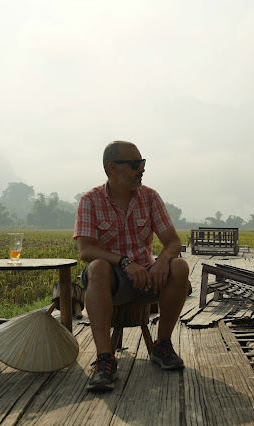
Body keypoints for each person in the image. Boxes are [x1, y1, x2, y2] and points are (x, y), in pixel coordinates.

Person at [73, 140, 189, 392]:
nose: (142, 169)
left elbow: (173, 242)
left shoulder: (149, 197)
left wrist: (162, 261)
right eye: (136, 164)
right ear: (113, 168)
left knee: (179, 267)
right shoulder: (90, 201)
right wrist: (125, 263)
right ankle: (105, 359)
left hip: (147, 277)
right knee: (97, 268)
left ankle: (162, 344)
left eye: (143, 163)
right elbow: (86, 250)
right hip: (112, 281)